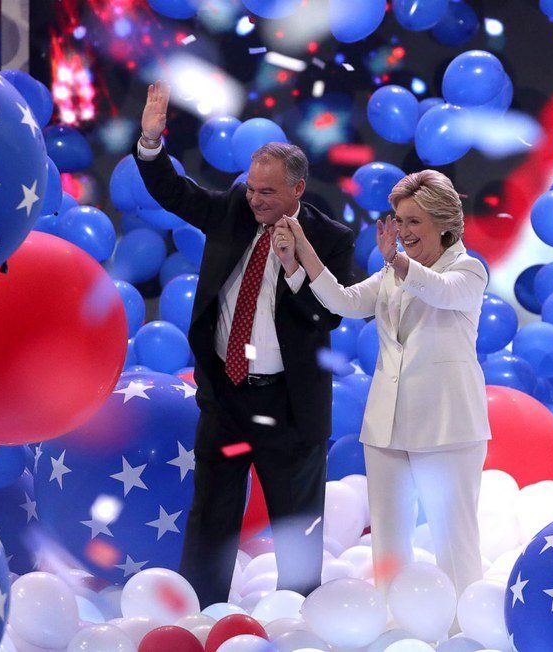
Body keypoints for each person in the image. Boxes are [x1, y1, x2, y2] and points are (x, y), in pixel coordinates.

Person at [133, 80, 355, 606]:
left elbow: (329, 316)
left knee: (296, 526)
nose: (255, 199)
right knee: (211, 514)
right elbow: (175, 192)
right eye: (251, 188)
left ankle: (299, 620)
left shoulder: (331, 239)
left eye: (268, 192)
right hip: (227, 398)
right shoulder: (235, 207)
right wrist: (150, 141)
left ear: (298, 190)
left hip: (287, 406)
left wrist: (294, 268)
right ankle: (197, 613)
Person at [275, 170, 490, 600]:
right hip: (387, 424)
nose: (402, 230)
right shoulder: (395, 272)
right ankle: (394, 625)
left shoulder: (468, 270)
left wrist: (397, 262)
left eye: (413, 221)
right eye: (398, 219)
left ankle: (461, 630)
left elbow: (441, 292)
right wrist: (300, 258)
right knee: (388, 544)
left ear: (444, 222)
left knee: (454, 542)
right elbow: (345, 301)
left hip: (447, 425)